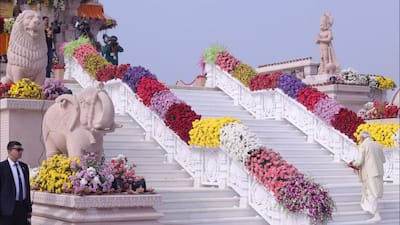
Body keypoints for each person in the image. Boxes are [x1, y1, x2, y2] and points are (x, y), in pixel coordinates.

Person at [348, 131, 386, 223]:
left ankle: (376, 215)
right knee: (373, 194)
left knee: (370, 194)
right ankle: (375, 214)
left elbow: (359, 161)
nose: (360, 140)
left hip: (369, 173)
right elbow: (383, 160)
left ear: (362, 138)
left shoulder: (364, 146)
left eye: (360, 139)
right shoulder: (377, 145)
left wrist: (352, 163)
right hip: (378, 173)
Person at [0, 141, 32, 225]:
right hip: (7, 209)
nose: (20, 152)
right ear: (9, 151)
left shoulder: (24, 167)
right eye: (18, 149)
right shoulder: (2, 167)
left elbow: (27, 188)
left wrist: (29, 208)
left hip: (22, 207)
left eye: (21, 149)